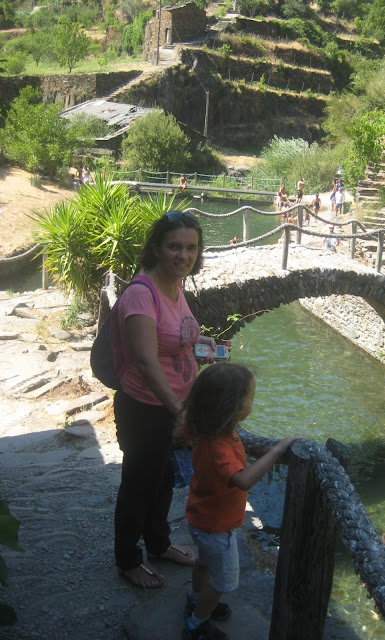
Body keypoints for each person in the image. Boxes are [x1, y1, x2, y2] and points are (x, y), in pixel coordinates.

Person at [114, 211, 216, 589]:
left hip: (174, 407)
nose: (183, 255)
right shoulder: (142, 294)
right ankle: (128, 560)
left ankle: (158, 544)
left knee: (164, 481)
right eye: (174, 246)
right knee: (139, 485)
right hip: (147, 409)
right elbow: (145, 360)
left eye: (191, 247)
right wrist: (179, 414)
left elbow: (173, 337)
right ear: (156, 248)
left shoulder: (176, 284)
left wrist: (201, 344)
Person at [182, 363, 304, 640]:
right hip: (217, 529)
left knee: (204, 563)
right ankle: (196, 623)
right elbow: (244, 480)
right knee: (224, 581)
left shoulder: (209, 432)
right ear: (234, 408)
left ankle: (196, 599)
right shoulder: (219, 447)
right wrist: (277, 449)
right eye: (250, 398)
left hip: (200, 518)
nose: (252, 403)